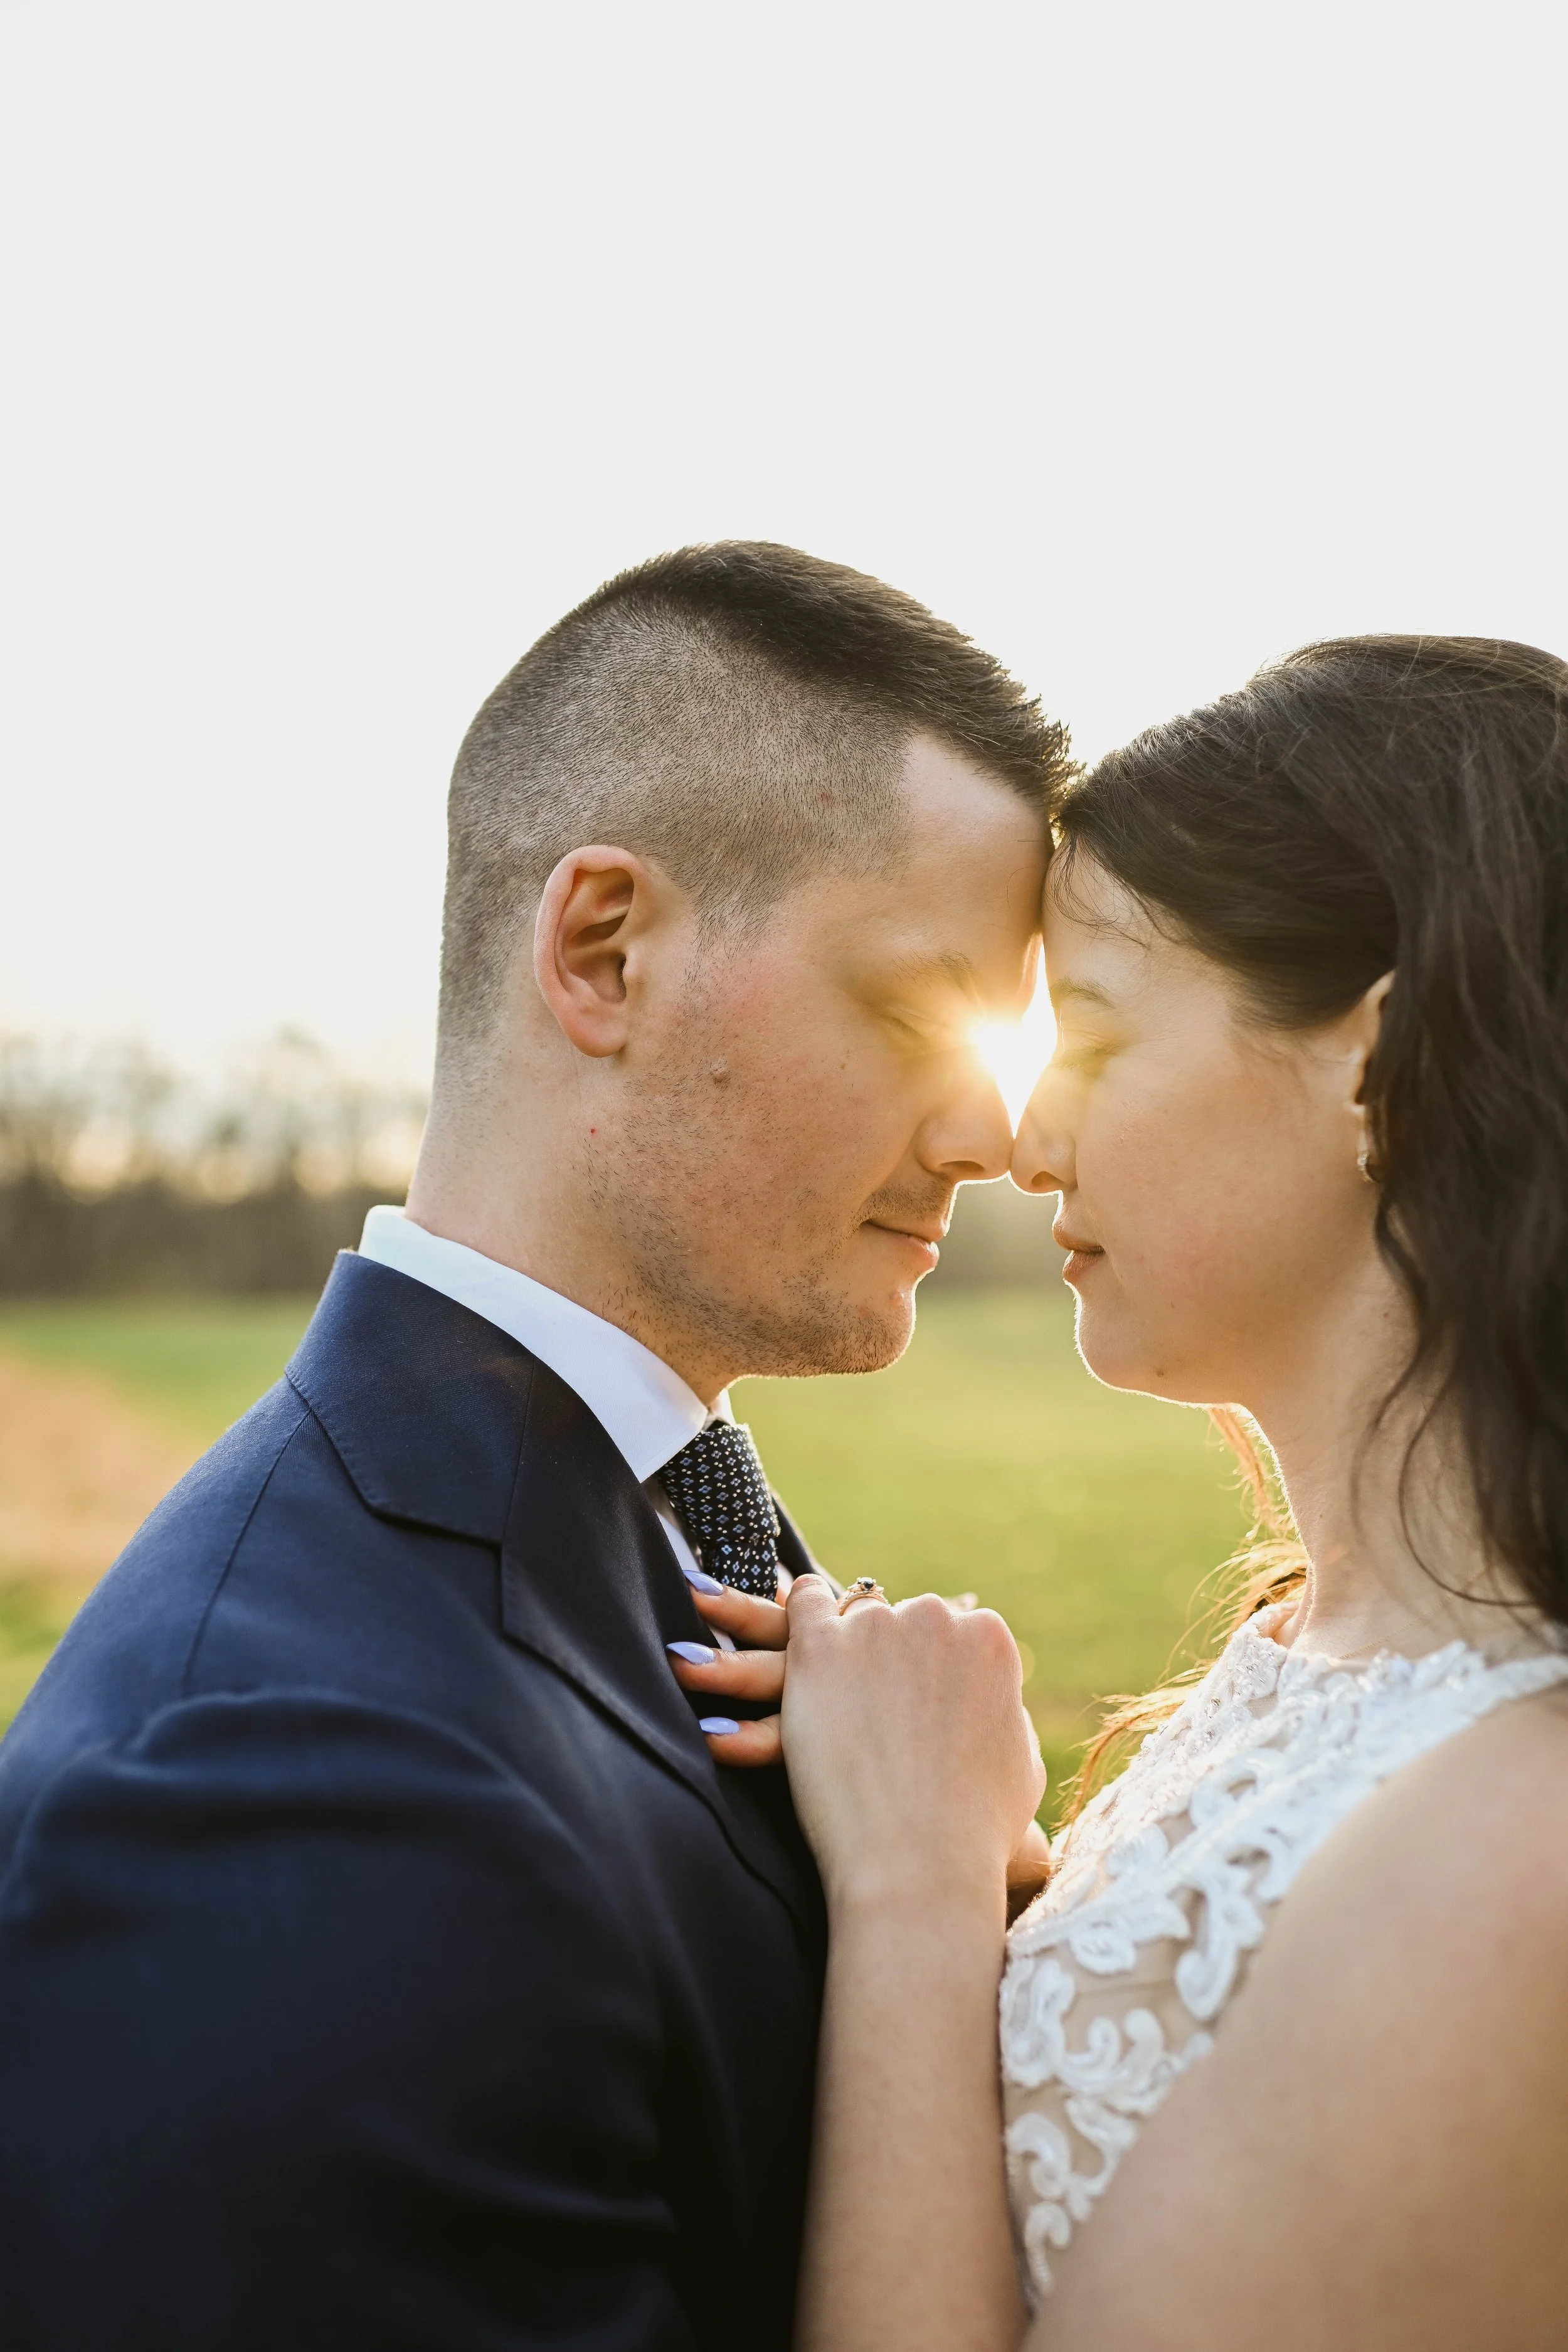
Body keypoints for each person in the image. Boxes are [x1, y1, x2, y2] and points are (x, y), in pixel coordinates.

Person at [0, 543, 1064, 2349]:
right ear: (605, 950)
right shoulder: (287, 1782)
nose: (989, 1125)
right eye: (913, 1006)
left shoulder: (668, 1523)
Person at [678, 636, 1568, 2350]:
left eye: (1087, 1033)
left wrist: (922, 1892)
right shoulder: (1313, 1648)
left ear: (1375, 1061)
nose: (1019, 1139)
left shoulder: (1518, 1852)